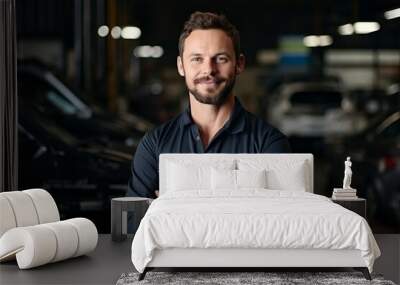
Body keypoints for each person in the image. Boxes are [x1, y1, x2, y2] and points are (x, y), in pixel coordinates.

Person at [127, 11, 291, 199]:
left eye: (221, 58)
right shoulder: (154, 145)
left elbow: (279, 222)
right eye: (197, 59)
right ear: (181, 66)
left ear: (239, 64)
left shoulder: (268, 144)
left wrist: (168, 204)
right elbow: (133, 223)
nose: (208, 70)